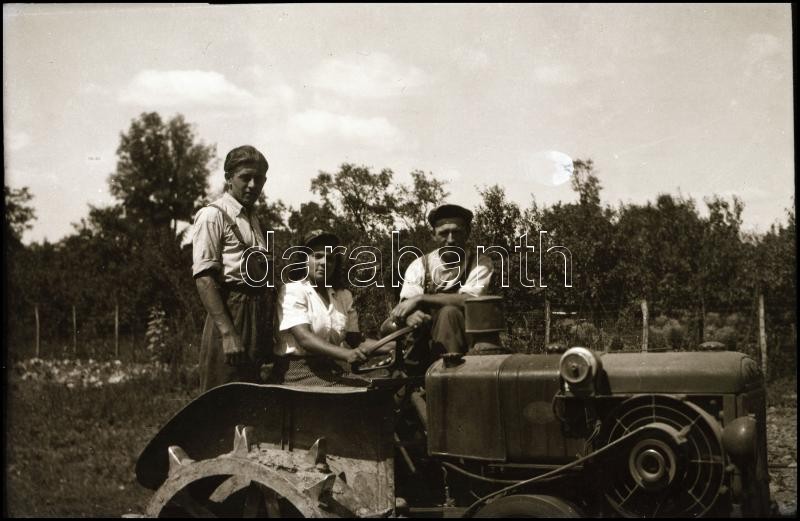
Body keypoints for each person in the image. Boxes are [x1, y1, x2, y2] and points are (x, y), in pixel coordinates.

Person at [192, 145, 275, 391]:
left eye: (258, 179)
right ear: (229, 178)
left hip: (257, 313)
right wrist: (228, 334)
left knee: (253, 400)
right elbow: (204, 278)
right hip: (231, 312)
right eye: (245, 177)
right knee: (223, 398)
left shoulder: (253, 219)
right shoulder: (212, 215)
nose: (252, 185)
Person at [270, 230, 379, 387]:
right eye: (317, 256)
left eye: (330, 259)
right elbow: (304, 338)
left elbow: (355, 340)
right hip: (298, 372)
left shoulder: (343, 295)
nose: (324, 263)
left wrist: (393, 346)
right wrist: (346, 354)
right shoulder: (293, 290)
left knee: (378, 388)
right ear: (304, 260)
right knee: (358, 396)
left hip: (330, 369)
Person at [387, 204, 493, 355]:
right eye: (444, 233)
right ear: (433, 235)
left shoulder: (479, 262)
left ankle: (449, 372)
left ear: (467, 233)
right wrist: (411, 315)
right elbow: (406, 304)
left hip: (467, 344)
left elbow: (469, 300)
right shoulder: (419, 265)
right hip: (425, 343)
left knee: (449, 313)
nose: (451, 240)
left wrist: (421, 298)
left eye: (457, 232)